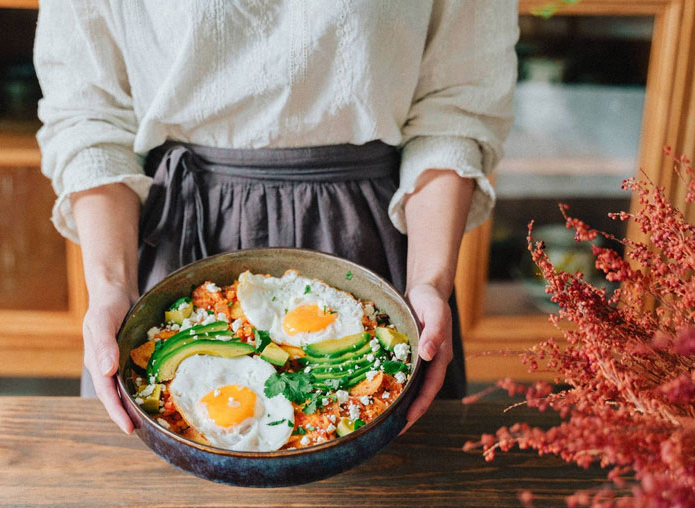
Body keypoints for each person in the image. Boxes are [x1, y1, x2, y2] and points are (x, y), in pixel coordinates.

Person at [34, 1, 518, 435]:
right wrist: (110, 288)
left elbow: (455, 109)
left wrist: (428, 282)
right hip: (176, 238)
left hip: (375, 242)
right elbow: (89, 116)